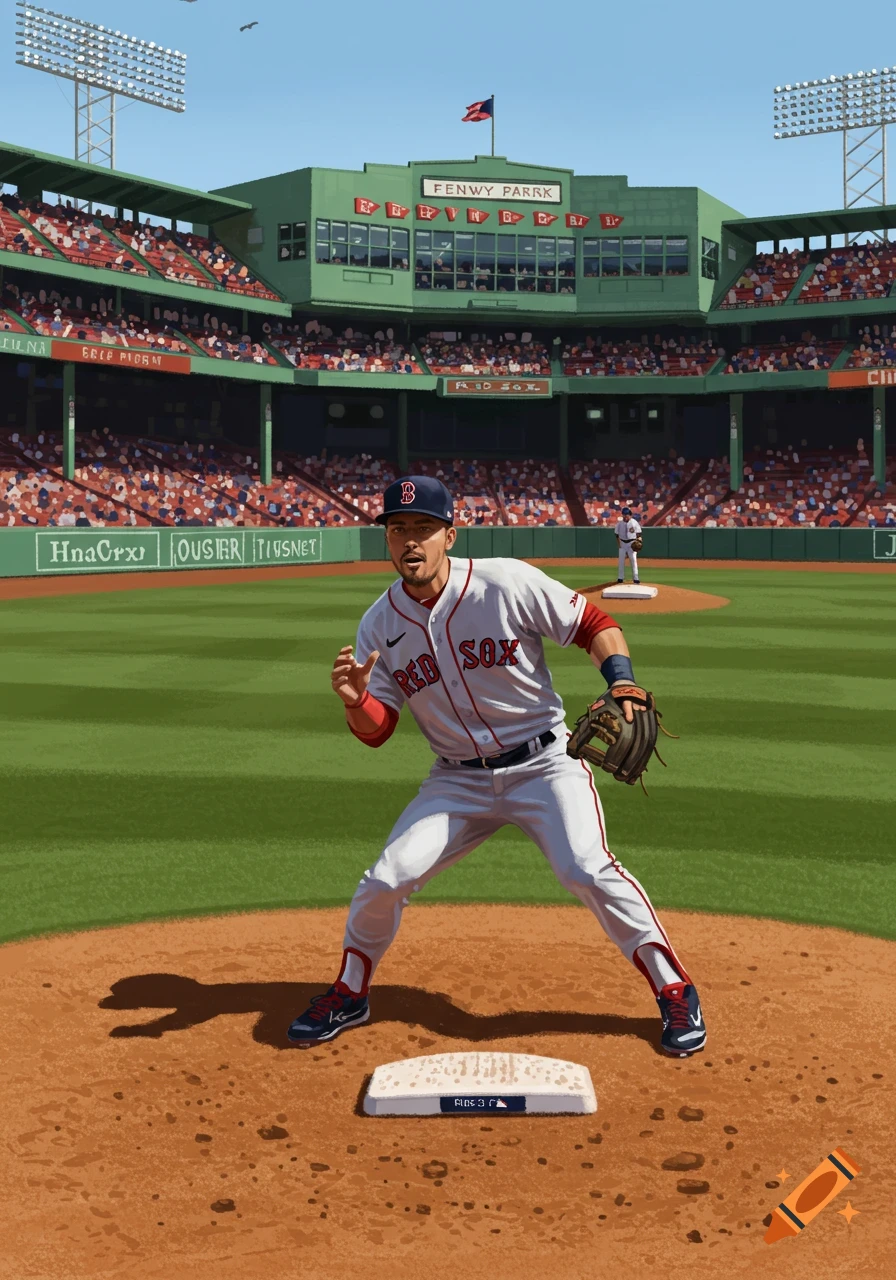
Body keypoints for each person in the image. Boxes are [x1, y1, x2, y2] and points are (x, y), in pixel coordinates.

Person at [286, 475, 705, 1058]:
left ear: (449, 535)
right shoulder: (378, 623)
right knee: (385, 879)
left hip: (544, 765)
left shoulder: (504, 581)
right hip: (456, 780)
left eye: (423, 528)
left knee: (586, 868)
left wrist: (622, 681)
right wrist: (357, 700)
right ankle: (350, 993)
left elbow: (594, 625)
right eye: (398, 529)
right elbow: (377, 731)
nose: (410, 541)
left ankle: (675, 988)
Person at [615, 506, 642, 583]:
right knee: (621, 561)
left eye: (627, 515)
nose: (625, 516)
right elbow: (616, 535)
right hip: (623, 543)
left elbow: (639, 534)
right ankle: (620, 578)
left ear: (630, 515)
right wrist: (619, 545)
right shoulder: (619, 524)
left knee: (633, 560)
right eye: (624, 515)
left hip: (632, 543)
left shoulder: (634, 523)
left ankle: (636, 578)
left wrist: (639, 542)